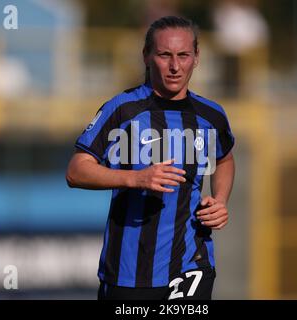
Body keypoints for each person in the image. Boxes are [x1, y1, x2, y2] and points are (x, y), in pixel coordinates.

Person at [66, 16, 235, 300]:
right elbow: (76, 170)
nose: (174, 66)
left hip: (191, 264)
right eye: (164, 55)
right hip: (127, 271)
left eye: (183, 55)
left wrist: (220, 200)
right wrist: (135, 177)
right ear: (146, 56)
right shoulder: (123, 110)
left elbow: (225, 159)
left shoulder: (211, 116)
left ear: (196, 57)